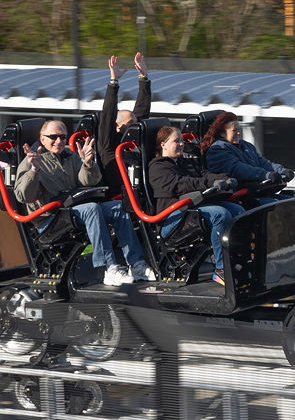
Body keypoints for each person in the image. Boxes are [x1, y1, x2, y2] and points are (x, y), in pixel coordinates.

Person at [14, 120, 155, 286]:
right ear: (42, 139)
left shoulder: (69, 156)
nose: (59, 141)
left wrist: (88, 164)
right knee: (92, 209)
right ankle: (109, 268)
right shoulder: (33, 160)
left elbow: (88, 182)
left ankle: (136, 263)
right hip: (49, 218)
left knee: (117, 208)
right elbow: (22, 196)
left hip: (72, 210)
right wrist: (34, 170)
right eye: (53, 137)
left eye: (62, 137)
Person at [148, 126, 245, 286]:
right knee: (219, 214)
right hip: (171, 220)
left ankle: (237, 263)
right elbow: (180, 185)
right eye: (176, 141)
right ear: (163, 144)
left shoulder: (184, 162)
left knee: (238, 211)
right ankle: (222, 270)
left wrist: (225, 178)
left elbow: (204, 174)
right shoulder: (158, 167)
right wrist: (210, 183)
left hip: (189, 211)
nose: (181, 144)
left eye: (182, 140)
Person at [202, 112, 295, 200]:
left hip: (255, 191)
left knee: (289, 202)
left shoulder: (246, 145)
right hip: (237, 195)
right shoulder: (217, 150)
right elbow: (238, 169)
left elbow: (263, 162)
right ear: (222, 133)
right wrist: (265, 175)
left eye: (239, 129)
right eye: (234, 130)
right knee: (271, 205)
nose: (238, 133)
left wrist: (282, 171)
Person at [99, 53, 151, 198]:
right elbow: (108, 114)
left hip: (138, 194)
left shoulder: (134, 141)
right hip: (118, 197)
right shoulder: (108, 144)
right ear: (117, 126)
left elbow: (142, 110)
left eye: (135, 122)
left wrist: (143, 77)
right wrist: (113, 82)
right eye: (129, 124)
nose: (134, 126)